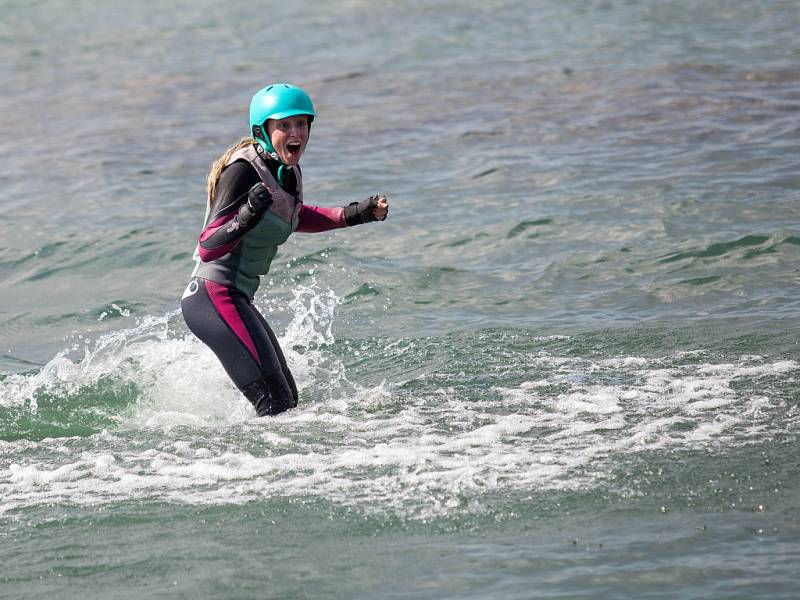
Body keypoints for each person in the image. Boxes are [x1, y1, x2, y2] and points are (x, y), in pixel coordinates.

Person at [181, 83, 388, 417]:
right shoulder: (242, 171)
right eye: (285, 125)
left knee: (287, 397)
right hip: (212, 296)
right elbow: (208, 246)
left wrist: (355, 214)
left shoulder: (286, 172)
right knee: (274, 401)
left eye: (302, 124)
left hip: (234, 297)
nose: (296, 133)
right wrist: (246, 216)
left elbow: (293, 216)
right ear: (262, 130)